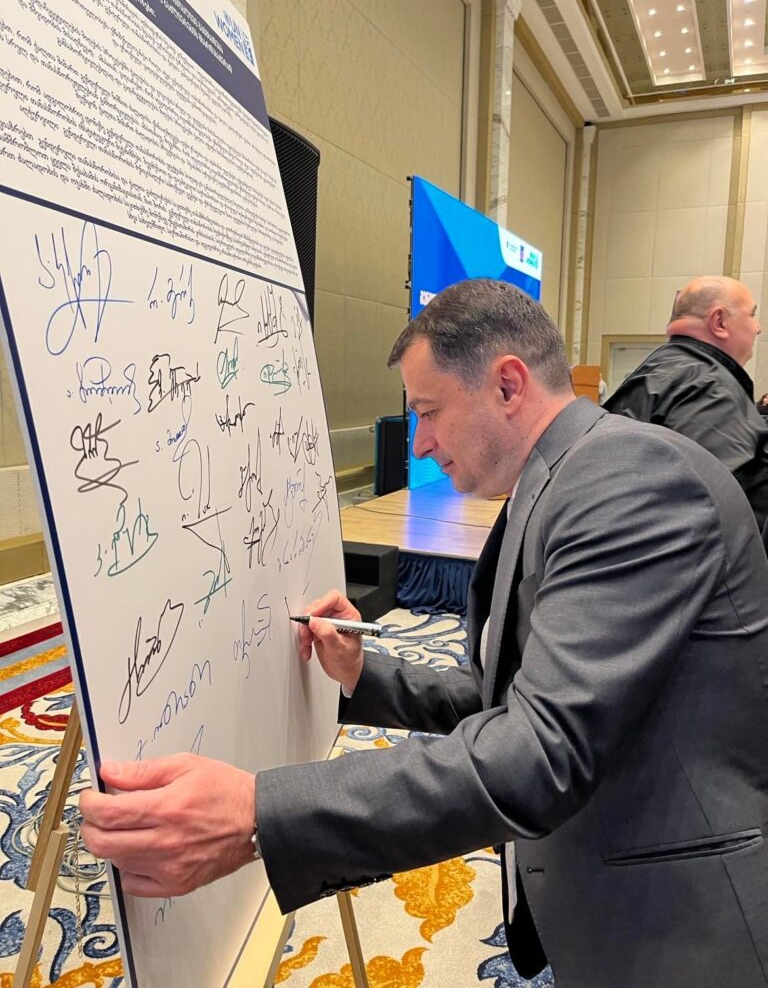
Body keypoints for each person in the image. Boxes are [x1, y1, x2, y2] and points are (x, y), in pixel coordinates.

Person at [80, 279, 768, 987]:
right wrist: (361, 676)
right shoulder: (560, 478)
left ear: (508, 385)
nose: (421, 442)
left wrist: (258, 814)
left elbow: (539, 751)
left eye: (430, 412)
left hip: (687, 928)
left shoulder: (629, 480)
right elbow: (507, 696)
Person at [604, 275, 768, 530]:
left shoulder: (659, 369)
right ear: (719, 321)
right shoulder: (709, 390)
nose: (758, 328)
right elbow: (704, 513)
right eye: (752, 314)